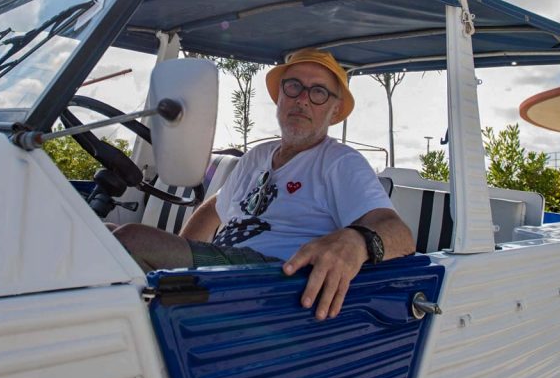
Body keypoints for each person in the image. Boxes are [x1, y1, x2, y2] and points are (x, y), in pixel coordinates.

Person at [114, 48, 414, 320]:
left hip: (272, 284)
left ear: (335, 111)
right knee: (100, 236)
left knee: (129, 239)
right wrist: (177, 260)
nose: (302, 99)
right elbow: (213, 210)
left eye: (319, 92)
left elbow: (400, 235)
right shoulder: (257, 155)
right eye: (293, 86)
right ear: (279, 96)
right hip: (224, 273)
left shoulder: (340, 162)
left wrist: (356, 241)